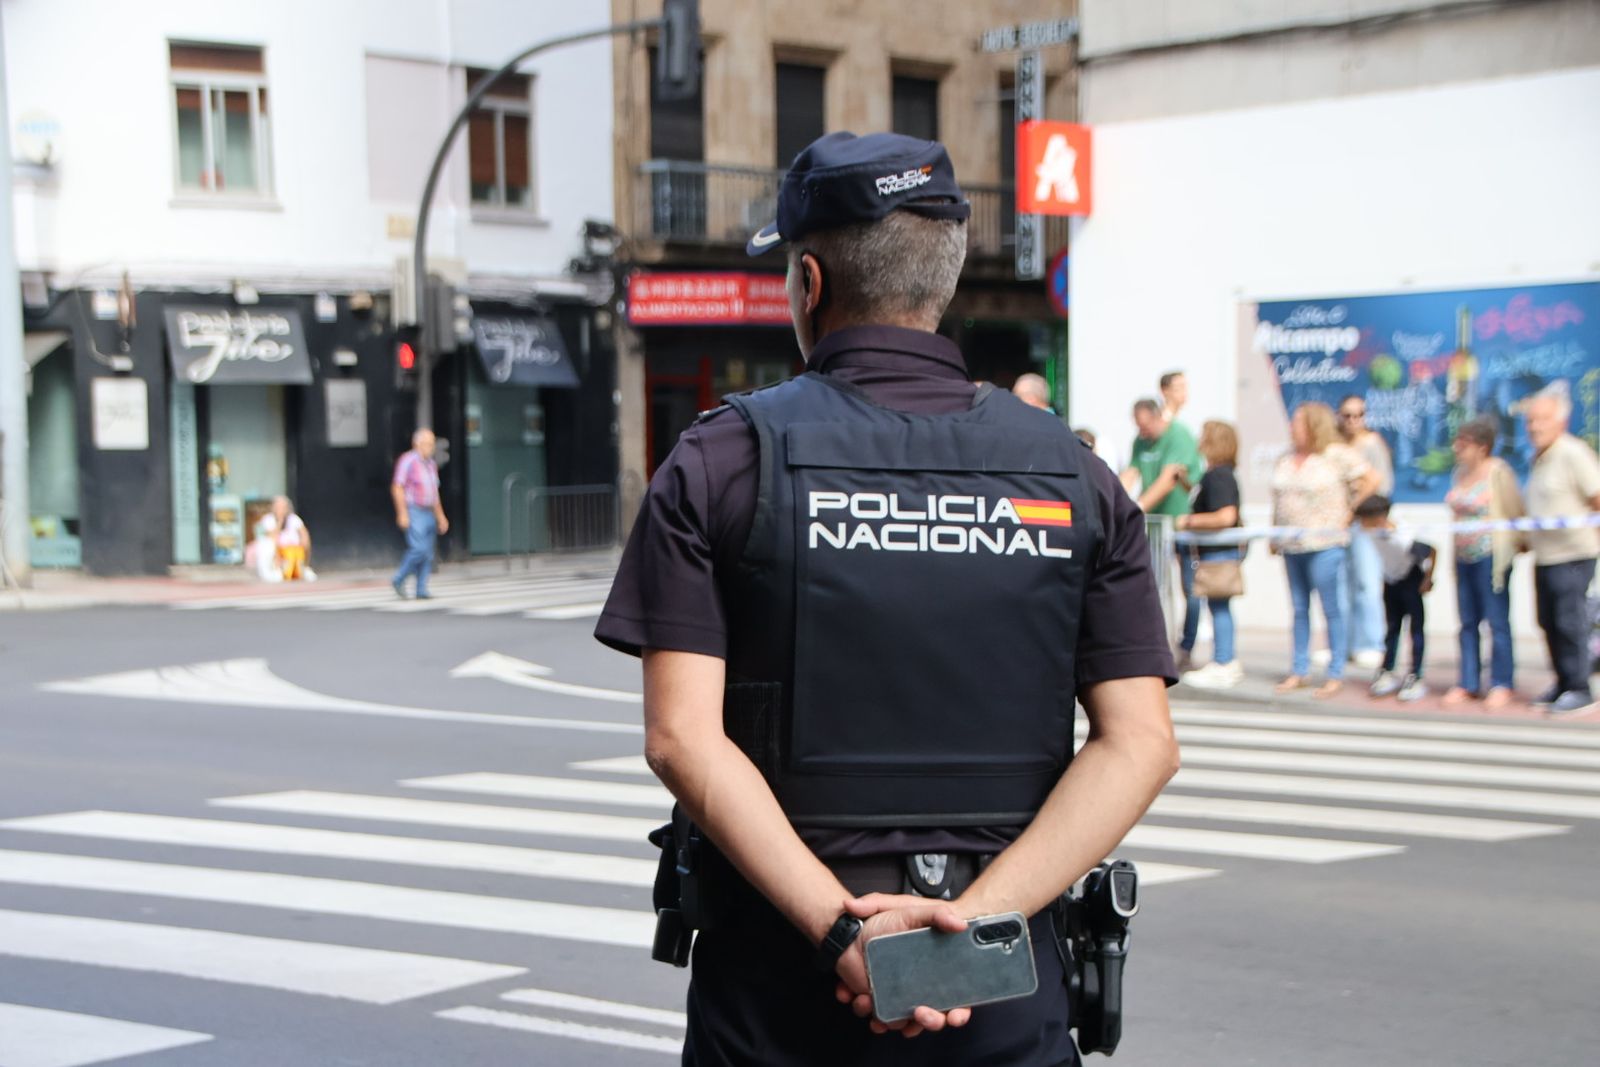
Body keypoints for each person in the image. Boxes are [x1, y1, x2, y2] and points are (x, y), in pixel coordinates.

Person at [595, 131, 1180, 1065]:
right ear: (940, 282)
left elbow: (680, 737)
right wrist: (965, 929)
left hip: (778, 1001)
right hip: (1002, 992)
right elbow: (1141, 741)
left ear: (809, 284)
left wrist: (848, 935)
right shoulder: (1075, 475)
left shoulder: (720, 460)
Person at [1271, 401, 1381, 698]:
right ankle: (1299, 668)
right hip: (1291, 544)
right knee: (1298, 608)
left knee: (1332, 607)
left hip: (1325, 543)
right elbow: (1279, 498)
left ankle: (1335, 672)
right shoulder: (1286, 457)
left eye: (1298, 422)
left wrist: (1350, 510)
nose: (1292, 427)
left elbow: (1372, 479)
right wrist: (1274, 532)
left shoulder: (1335, 455)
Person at [1522, 386, 1600, 715]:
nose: (1534, 427)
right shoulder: (1538, 457)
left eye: (1542, 419)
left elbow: (1596, 497)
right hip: (1545, 556)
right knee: (1548, 621)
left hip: (1573, 554)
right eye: (1530, 420)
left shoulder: (1573, 453)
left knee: (1570, 622)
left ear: (1561, 422)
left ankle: (1580, 687)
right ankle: (1563, 681)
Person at [1443, 417, 1524, 709]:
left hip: (1490, 557)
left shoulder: (1499, 473)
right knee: (1467, 622)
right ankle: (1468, 681)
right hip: (1464, 556)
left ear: (1482, 447)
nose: (1457, 449)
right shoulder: (1458, 473)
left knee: (1497, 620)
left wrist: (1518, 543)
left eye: (1463, 444)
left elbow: (1515, 509)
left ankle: (1502, 682)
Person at [1125, 398, 1203, 669]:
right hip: (1155, 527)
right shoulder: (1140, 442)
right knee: (1152, 586)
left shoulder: (1177, 436)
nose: (1142, 432)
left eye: (1146, 425)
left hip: (1181, 525)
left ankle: (1187, 646)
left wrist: (1136, 508)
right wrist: (1116, 502)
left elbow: (1169, 477)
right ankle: (1155, 644)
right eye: (1138, 427)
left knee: (1191, 589)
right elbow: (1131, 472)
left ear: (1158, 417)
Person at [1178, 421, 1244, 690]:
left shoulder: (1219, 476)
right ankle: (1224, 659)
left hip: (1218, 551)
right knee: (1218, 606)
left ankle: (1224, 661)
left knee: (1219, 606)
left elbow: (1226, 515)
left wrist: (1190, 522)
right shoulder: (1217, 474)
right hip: (1214, 551)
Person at [1357, 495, 1437, 702]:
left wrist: (1428, 579)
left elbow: (1431, 550)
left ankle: (1415, 675)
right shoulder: (1371, 532)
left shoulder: (1403, 536)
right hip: (1390, 580)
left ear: (1379, 518)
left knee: (1415, 629)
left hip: (1410, 580)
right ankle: (1387, 670)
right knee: (1392, 628)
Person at [1338, 394, 1394, 672]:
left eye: (1357, 415)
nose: (1352, 421)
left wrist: (1355, 507)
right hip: (1341, 526)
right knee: (1344, 586)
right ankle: (1347, 643)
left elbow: (1380, 484)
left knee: (1366, 584)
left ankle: (1372, 642)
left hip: (1365, 524)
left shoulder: (1372, 445)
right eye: (1347, 415)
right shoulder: (1338, 446)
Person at [391, 428, 448, 600]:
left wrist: (441, 516)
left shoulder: (431, 465)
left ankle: (421, 588)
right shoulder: (408, 461)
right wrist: (402, 513)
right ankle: (399, 578)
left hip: (428, 510)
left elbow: (434, 493)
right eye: (426, 443)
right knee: (419, 549)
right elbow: (397, 487)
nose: (429, 447)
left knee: (428, 552)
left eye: (431, 444)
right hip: (414, 509)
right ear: (416, 443)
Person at [262, 495, 312, 581]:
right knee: (271, 545)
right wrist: (280, 521)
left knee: (306, 542)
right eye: (279, 507)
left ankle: (305, 567)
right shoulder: (268, 519)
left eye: (284, 507)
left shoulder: (294, 519)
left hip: (295, 548)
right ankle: (277, 569)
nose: (281, 510)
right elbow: (271, 536)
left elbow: (304, 532)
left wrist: (304, 539)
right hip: (279, 549)